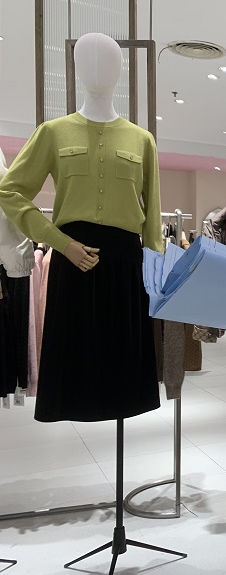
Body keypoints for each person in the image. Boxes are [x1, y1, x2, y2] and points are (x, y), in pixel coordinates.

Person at [0, 32, 162, 422]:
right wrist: (58, 241)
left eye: (107, 61)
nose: (97, 69)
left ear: (120, 70)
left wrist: (156, 275)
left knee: (122, 362)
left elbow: (154, 217)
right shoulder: (53, 132)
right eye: (87, 61)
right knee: (75, 356)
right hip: (72, 261)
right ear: (74, 69)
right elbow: (10, 191)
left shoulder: (142, 140)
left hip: (125, 267)